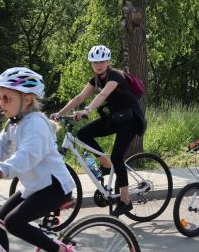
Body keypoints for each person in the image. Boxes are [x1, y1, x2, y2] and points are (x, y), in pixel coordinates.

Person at [0, 67, 78, 252]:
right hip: (35, 187)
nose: (0, 103)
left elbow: (27, 155)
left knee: (13, 222)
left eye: (7, 98)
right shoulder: (14, 124)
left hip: (54, 187)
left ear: (27, 99)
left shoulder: (36, 124)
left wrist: (0, 172)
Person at [52, 45, 146, 217]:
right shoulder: (95, 80)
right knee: (83, 134)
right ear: (91, 64)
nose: (99, 65)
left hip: (130, 120)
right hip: (115, 118)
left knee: (117, 156)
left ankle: (125, 201)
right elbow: (79, 97)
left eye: (102, 61)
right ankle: (106, 164)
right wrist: (59, 113)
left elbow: (102, 95)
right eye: (95, 62)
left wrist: (87, 110)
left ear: (108, 61)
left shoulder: (116, 76)